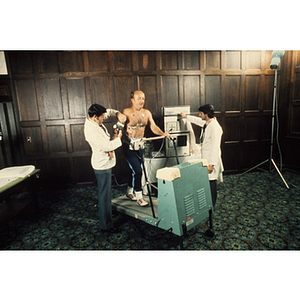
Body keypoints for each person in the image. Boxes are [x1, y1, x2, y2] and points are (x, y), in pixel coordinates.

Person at [122, 90, 172, 206]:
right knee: (138, 170)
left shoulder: (147, 113)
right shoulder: (126, 112)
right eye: (139, 98)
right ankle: (139, 196)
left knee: (134, 170)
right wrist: (126, 133)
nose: (141, 101)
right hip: (128, 146)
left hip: (140, 145)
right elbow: (120, 130)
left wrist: (163, 133)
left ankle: (129, 191)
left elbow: (153, 127)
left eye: (143, 98)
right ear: (132, 100)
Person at [84, 104, 126, 234]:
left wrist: (118, 113)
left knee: (105, 194)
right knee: (104, 196)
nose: (104, 118)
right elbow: (107, 146)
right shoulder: (91, 131)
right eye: (102, 117)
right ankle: (105, 226)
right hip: (102, 165)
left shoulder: (94, 119)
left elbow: (108, 112)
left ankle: (106, 214)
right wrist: (118, 137)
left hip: (105, 163)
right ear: (95, 117)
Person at [179, 104, 223, 207]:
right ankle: (208, 204)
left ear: (206, 114)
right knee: (207, 182)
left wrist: (211, 164)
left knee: (212, 183)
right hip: (206, 159)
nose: (199, 115)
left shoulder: (215, 127)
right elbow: (199, 121)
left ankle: (211, 206)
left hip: (211, 160)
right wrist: (186, 117)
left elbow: (215, 147)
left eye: (201, 113)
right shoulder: (208, 123)